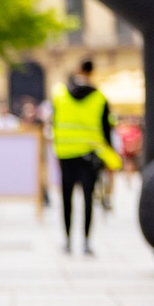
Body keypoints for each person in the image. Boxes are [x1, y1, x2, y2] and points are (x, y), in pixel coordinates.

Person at [52, 57, 121, 255]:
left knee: (66, 198)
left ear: (76, 70)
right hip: (90, 155)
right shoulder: (99, 98)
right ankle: (86, 241)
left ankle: (66, 240)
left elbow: (54, 125)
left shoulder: (60, 94)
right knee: (89, 198)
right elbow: (107, 130)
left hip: (65, 154)